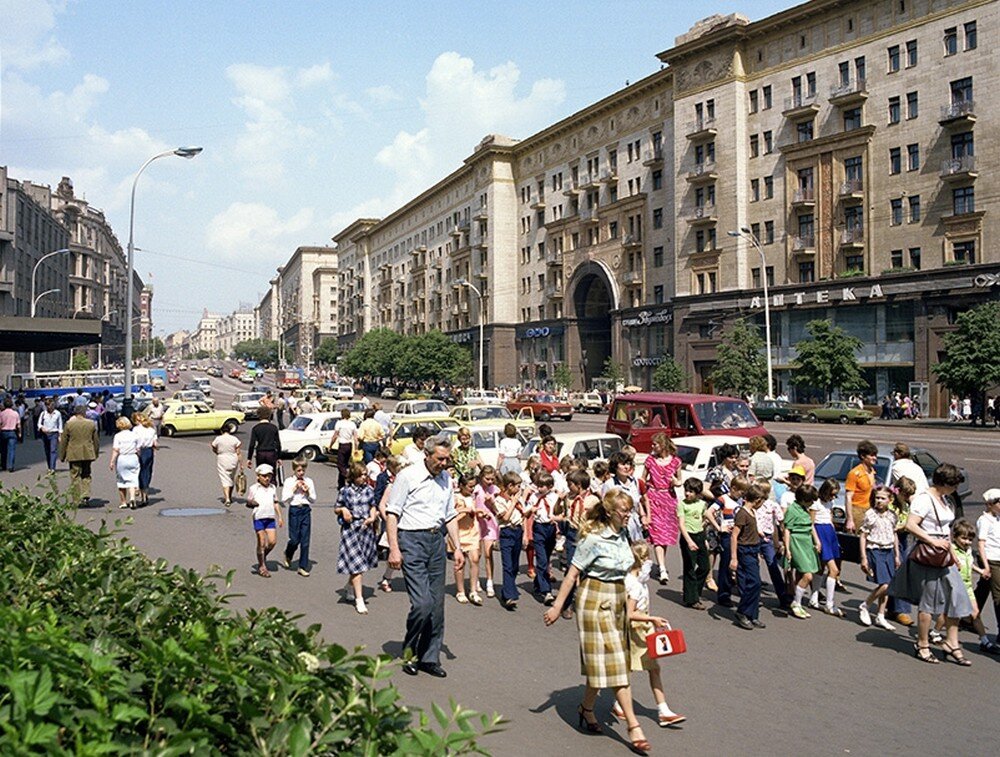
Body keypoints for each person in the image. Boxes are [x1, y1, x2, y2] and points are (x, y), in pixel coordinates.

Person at [543, 491, 651, 754]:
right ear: (611, 511)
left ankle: (586, 708)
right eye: (624, 510)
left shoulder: (624, 535)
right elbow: (571, 575)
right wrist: (557, 606)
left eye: (630, 510)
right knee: (615, 662)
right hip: (593, 600)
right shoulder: (592, 539)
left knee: (602, 664)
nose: (628, 514)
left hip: (616, 599)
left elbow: (627, 572)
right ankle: (634, 726)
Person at [385, 434, 464, 678]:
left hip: (436, 542)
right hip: (412, 541)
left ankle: (429, 657)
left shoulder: (446, 480)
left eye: (447, 459)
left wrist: (457, 547)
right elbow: (392, 513)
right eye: (440, 459)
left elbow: (449, 515)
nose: (444, 463)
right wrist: (394, 548)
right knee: (422, 603)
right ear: (427, 455)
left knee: (437, 607)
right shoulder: (408, 476)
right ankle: (409, 652)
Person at [888, 463, 974, 665]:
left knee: (958, 597)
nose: (955, 489)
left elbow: (947, 530)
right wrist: (933, 541)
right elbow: (910, 525)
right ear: (944, 483)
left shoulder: (944, 498)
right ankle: (923, 644)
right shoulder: (924, 500)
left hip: (944, 555)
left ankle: (952, 643)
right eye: (953, 485)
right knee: (928, 602)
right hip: (929, 556)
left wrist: (952, 553)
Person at [611, 540, 686, 727]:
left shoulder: (632, 580)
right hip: (636, 631)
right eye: (647, 558)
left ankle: (619, 704)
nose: (649, 562)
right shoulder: (635, 585)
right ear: (641, 559)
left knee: (629, 668)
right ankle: (663, 710)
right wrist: (652, 620)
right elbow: (630, 614)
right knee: (647, 668)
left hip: (638, 629)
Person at [949, 519, 1000, 654]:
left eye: (970, 539)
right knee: (949, 614)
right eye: (964, 538)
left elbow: (970, 564)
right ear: (955, 537)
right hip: (955, 585)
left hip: (967, 585)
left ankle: (985, 641)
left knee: (975, 613)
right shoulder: (952, 550)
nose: (967, 542)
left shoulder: (967, 550)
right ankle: (935, 632)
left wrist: (981, 571)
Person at [336, 462, 379, 613]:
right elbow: (337, 507)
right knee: (357, 565)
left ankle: (349, 587)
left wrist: (372, 517)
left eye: (365, 474)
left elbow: (373, 505)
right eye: (361, 475)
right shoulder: (345, 491)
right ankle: (359, 600)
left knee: (361, 564)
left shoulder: (369, 490)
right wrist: (343, 510)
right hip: (351, 529)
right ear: (354, 476)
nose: (364, 477)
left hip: (365, 528)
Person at [642, 433, 683, 585]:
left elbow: (680, 481)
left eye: (655, 445)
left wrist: (675, 482)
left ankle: (661, 564)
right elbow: (643, 478)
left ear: (663, 445)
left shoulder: (676, 462)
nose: (652, 447)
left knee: (664, 536)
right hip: (654, 499)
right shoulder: (650, 461)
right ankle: (663, 568)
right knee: (657, 534)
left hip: (668, 499)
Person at [858, 486, 901, 630]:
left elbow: (894, 535)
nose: (879, 501)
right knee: (885, 584)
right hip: (875, 549)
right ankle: (866, 604)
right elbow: (863, 535)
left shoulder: (892, 515)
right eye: (877, 497)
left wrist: (896, 555)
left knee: (889, 586)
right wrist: (863, 557)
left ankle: (880, 615)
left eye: (883, 498)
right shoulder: (870, 514)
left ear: (890, 500)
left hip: (888, 550)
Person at [784, 484, 822, 619]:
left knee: (802, 574)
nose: (812, 503)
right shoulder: (792, 510)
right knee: (808, 575)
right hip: (797, 543)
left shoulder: (805, 509)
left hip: (806, 543)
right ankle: (796, 602)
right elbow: (787, 529)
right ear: (804, 499)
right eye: (811, 500)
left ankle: (797, 601)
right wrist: (788, 549)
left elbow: (810, 525)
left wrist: (817, 541)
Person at [808, 478, 843, 616]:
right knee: (833, 570)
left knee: (821, 568)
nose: (833, 497)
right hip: (820, 532)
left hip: (829, 532)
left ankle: (814, 598)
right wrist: (817, 540)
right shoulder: (816, 503)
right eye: (831, 494)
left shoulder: (830, 502)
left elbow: (830, 518)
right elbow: (811, 523)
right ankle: (829, 603)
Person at [526, 470, 562, 604]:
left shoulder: (554, 497)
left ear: (550, 486)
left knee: (546, 559)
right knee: (541, 560)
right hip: (539, 528)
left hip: (550, 528)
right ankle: (546, 591)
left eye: (542, 486)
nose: (539, 488)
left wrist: (557, 523)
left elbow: (559, 511)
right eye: (538, 485)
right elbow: (526, 510)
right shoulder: (534, 497)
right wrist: (531, 510)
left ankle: (537, 583)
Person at [495, 471, 527, 610]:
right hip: (507, 531)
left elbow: (523, 515)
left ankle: (509, 589)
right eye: (517, 486)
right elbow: (506, 518)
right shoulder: (499, 500)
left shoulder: (518, 500)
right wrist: (513, 503)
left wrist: (525, 534)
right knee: (507, 565)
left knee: (515, 565)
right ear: (509, 486)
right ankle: (508, 596)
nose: (519, 489)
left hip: (518, 530)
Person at [677, 477, 710, 609]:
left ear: (697, 493)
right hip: (688, 537)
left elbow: (705, 517)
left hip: (699, 535)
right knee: (690, 568)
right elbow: (681, 524)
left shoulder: (701, 504)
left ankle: (693, 592)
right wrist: (689, 541)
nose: (687, 494)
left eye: (691, 491)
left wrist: (708, 533)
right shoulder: (682, 504)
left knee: (704, 567)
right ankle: (691, 599)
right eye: (686, 491)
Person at [245, 463, 283, 578]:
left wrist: (280, 516)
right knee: (261, 541)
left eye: (269, 476)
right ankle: (262, 566)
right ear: (258, 476)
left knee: (272, 542)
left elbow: (275, 502)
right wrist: (252, 503)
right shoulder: (254, 488)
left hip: (270, 517)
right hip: (259, 517)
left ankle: (262, 555)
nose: (267, 478)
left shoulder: (272, 488)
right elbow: (248, 501)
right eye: (264, 476)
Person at [451, 473, 483, 605]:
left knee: (475, 559)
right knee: (460, 562)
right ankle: (460, 591)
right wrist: (464, 511)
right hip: (459, 532)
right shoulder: (455, 498)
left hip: (472, 531)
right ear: (461, 486)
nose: (472, 489)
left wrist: (480, 513)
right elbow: (450, 517)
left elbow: (474, 512)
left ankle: (473, 590)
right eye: (470, 486)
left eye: (473, 486)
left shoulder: (472, 497)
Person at [282, 457, 317, 577]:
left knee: (305, 541)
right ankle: (288, 553)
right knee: (294, 539)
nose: (301, 473)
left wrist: (307, 492)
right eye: (299, 470)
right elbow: (284, 499)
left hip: (305, 510)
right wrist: (294, 489)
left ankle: (302, 566)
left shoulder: (309, 481)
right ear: (294, 470)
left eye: (303, 470)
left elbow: (313, 499)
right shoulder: (289, 481)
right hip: (294, 510)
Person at [59, 403, 99, 505]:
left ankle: (76, 499)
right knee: (86, 474)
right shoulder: (91, 424)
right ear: (84, 413)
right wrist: (95, 453)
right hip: (87, 452)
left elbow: (64, 441)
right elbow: (96, 440)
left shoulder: (69, 424)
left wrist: (62, 455)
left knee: (75, 475)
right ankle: (85, 495)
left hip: (73, 453)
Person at [975, 488, 1000, 647]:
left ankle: (967, 616)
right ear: (990, 504)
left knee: (983, 588)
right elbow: (981, 544)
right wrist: (985, 566)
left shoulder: (997, 519)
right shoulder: (984, 521)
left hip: (998, 558)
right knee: (998, 595)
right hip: (991, 560)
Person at [474, 465, 501, 599]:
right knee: (476, 554)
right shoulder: (476, 489)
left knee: (488, 553)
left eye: (492, 479)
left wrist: (491, 502)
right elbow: (472, 504)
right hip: (477, 522)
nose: (490, 481)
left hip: (490, 523)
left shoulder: (495, 490)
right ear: (481, 477)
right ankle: (476, 578)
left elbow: (497, 509)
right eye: (487, 479)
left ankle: (490, 581)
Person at [845, 440, 879, 534]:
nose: (875, 458)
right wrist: (850, 519)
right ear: (863, 456)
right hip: (857, 511)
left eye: (875, 455)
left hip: (870, 510)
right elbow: (848, 497)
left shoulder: (872, 471)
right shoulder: (855, 473)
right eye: (871, 455)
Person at [108, 416, 140, 510]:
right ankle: (132, 497)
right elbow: (138, 449)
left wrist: (112, 461)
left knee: (121, 480)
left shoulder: (118, 436)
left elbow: (116, 450)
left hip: (123, 458)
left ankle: (123, 502)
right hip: (133, 457)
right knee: (133, 478)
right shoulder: (134, 435)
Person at [246, 407, 282, 484]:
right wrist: (279, 457)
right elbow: (278, 443)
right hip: (271, 452)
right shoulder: (273, 427)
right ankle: (272, 488)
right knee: (271, 473)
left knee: (261, 472)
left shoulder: (256, 428)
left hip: (260, 452)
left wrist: (249, 458)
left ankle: (261, 487)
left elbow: (252, 444)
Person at [211, 424, 242, 506]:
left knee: (224, 478)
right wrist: (241, 464)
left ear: (221, 431)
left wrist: (217, 452)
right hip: (233, 458)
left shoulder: (218, 439)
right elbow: (238, 452)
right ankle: (230, 496)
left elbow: (213, 447)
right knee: (231, 477)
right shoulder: (234, 439)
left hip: (222, 458)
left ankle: (227, 498)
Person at [132, 412, 158, 506]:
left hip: (139, 450)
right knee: (147, 472)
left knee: (139, 471)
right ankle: (145, 493)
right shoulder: (151, 429)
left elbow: (134, 442)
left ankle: (139, 490)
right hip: (149, 450)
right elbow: (155, 443)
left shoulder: (136, 430)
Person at [331, 408, 358, 485]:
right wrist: (356, 448)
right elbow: (355, 438)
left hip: (342, 444)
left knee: (340, 464)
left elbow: (335, 436)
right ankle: (341, 483)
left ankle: (347, 476)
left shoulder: (339, 423)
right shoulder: (352, 424)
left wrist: (331, 445)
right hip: (349, 445)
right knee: (345, 464)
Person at [37, 397, 63, 472]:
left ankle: (52, 468)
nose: (49, 407)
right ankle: (49, 466)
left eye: (50, 405)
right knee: (47, 451)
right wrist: (42, 428)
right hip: (45, 434)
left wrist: (60, 436)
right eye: (47, 405)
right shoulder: (43, 414)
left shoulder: (57, 413)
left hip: (54, 433)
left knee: (53, 450)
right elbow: (39, 423)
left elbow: (60, 425)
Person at [0, 396, 23, 472]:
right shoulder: (15, 413)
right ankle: (10, 466)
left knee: (3, 450)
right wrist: (19, 433)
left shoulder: (1, 414)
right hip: (12, 432)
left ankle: (3, 465)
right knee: (11, 450)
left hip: (3, 432)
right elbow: (18, 425)